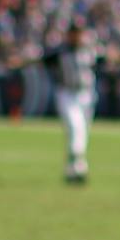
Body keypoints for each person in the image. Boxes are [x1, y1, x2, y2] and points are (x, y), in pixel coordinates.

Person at [44, 22, 98, 184]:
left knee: (82, 132)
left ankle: (76, 169)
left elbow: (104, 61)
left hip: (86, 94)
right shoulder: (61, 52)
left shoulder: (89, 50)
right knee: (76, 128)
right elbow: (43, 60)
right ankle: (77, 167)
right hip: (67, 93)